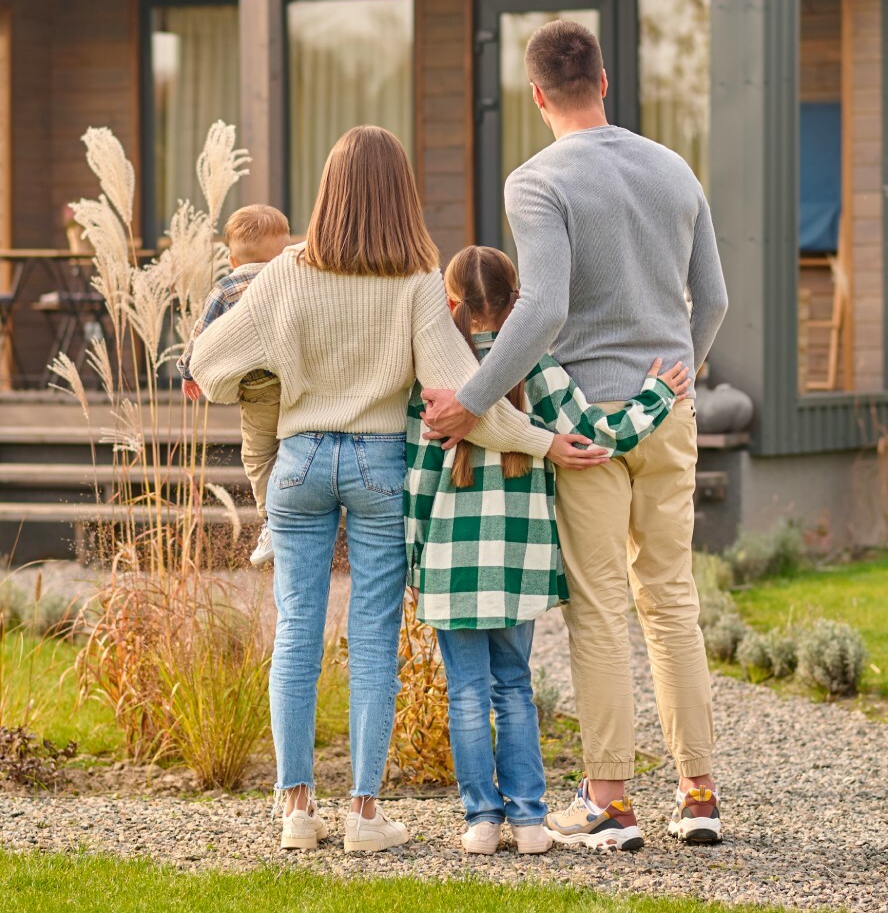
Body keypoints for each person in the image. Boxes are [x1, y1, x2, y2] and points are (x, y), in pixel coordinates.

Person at [189, 126, 608, 854]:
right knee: (374, 639)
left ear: (327, 192)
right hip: (380, 467)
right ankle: (362, 815)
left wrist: (269, 381)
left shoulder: (285, 272)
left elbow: (206, 363)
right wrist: (545, 442)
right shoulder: (417, 283)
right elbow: (465, 400)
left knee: (296, 631)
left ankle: (295, 810)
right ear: (401, 196)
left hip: (297, 462)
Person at [421, 21, 729, 849]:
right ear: (603, 78)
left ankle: (611, 804)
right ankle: (698, 794)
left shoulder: (537, 180)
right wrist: (676, 384)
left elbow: (544, 305)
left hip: (584, 426)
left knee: (599, 611)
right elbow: (717, 298)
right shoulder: (673, 168)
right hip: (667, 412)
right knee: (671, 601)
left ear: (534, 96)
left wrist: (472, 399)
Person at [406, 246, 689, 856]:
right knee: (514, 687)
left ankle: (482, 821)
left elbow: (418, 478)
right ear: (519, 306)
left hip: (451, 566)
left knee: (465, 693)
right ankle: (531, 821)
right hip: (520, 562)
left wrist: (416, 558)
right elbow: (597, 436)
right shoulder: (536, 366)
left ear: (449, 304)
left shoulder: (435, 374)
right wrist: (656, 395)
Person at [179, 204, 290, 567]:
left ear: (231, 259)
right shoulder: (293, 278)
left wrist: (187, 371)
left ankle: (273, 520)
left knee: (258, 455)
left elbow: (201, 335)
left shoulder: (226, 288)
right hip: (299, 380)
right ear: (285, 248)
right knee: (294, 446)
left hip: (258, 388)